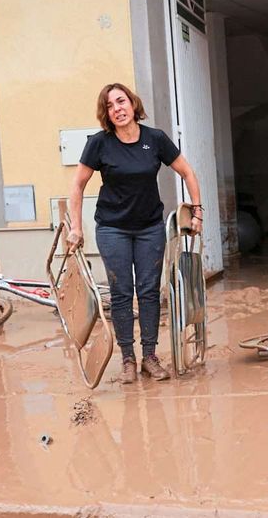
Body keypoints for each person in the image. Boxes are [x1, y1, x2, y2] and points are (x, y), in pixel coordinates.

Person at [67, 83, 203, 384]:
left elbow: (188, 172)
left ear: (132, 103)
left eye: (121, 101)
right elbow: (77, 185)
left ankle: (150, 357)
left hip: (149, 228)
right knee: (121, 292)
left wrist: (197, 211)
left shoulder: (155, 139)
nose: (118, 108)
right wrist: (76, 227)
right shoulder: (99, 143)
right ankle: (128, 359)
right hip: (112, 228)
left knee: (149, 291)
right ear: (107, 113)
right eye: (110, 105)